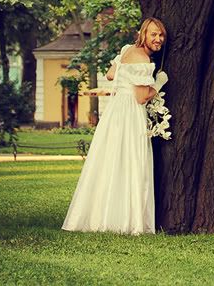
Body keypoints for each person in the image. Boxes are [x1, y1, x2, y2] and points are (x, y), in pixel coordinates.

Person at [62, 17, 167, 235]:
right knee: (130, 161)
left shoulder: (127, 50)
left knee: (109, 162)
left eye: (161, 35)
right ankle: (128, 220)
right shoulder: (142, 61)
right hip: (130, 113)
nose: (158, 39)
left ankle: (102, 215)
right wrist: (159, 82)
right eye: (153, 34)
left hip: (114, 112)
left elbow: (111, 75)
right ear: (143, 34)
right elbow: (141, 97)